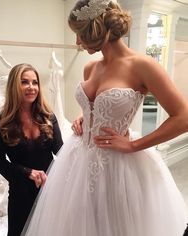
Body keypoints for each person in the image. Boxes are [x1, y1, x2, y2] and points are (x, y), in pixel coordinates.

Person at [23, 1, 188, 236]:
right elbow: (97, 103)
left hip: (118, 166)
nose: (77, 42)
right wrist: (83, 116)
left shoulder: (143, 66)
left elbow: (183, 117)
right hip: (78, 159)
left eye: (79, 34)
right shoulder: (90, 68)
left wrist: (133, 145)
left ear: (94, 29)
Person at [0, 63, 63, 236]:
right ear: (14, 86)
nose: (31, 87)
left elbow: (61, 151)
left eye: (35, 82)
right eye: (24, 82)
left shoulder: (48, 118)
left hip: (49, 189)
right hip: (20, 191)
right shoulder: (1, 123)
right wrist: (27, 172)